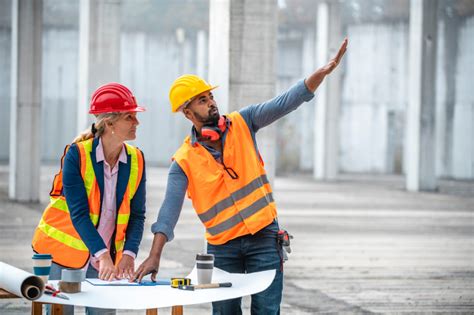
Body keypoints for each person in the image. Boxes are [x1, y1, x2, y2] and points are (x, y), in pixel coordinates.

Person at [134, 38, 348, 314]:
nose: (211, 103)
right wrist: (155, 255)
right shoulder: (184, 160)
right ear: (188, 113)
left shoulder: (244, 122)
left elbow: (286, 102)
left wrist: (321, 74)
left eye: (210, 96)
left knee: (267, 310)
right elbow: (168, 212)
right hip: (223, 249)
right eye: (202, 100)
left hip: (265, 238)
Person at [32, 82, 147, 315]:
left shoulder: (136, 159)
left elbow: (137, 214)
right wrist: (103, 254)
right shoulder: (77, 154)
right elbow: (79, 213)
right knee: (60, 312)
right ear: (110, 123)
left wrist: (129, 254)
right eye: (130, 117)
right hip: (63, 252)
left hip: (105, 257)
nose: (137, 122)